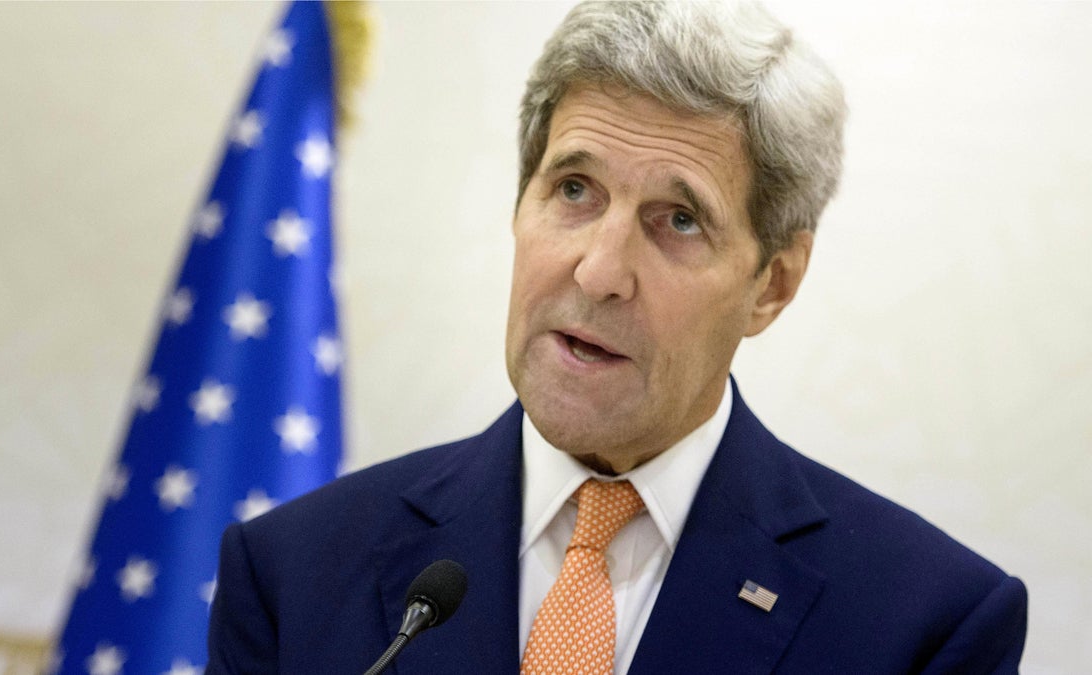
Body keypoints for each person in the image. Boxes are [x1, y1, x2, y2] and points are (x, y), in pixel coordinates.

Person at [207, 1, 1028, 673]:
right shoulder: (292, 573)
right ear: (520, 205)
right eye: (574, 188)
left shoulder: (924, 624)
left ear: (771, 285)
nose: (600, 271)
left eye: (678, 220)